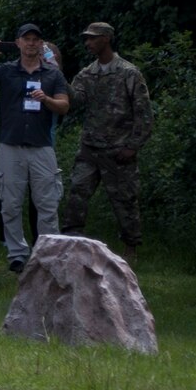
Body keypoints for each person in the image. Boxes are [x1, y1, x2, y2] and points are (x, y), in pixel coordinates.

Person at [0, 25, 70, 272]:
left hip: (41, 146)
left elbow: (64, 105)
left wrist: (46, 100)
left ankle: (49, 255)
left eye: (36, 40)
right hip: (10, 145)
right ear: (18, 43)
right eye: (27, 39)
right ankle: (17, 254)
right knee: (10, 203)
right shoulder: (6, 70)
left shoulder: (52, 74)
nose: (31, 44)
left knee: (47, 203)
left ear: (41, 44)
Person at [59, 22, 152, 249]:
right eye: (87, 38)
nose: (88, 43)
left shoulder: (128, 73)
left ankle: (131, 248)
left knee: (125, 201)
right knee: (77, 194)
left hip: (119, 150)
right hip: (90, 148)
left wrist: (132, 146)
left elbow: (144, 113)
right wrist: (57, 75)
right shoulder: (87, 73)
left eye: (93, 38)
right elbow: (75, 101)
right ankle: (72, 243)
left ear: (106, 39)